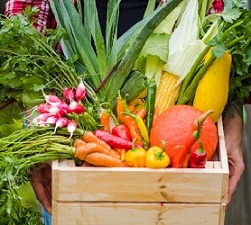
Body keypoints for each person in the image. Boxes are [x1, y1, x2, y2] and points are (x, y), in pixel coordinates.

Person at [4, 1, 245, 225]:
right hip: (67, 118)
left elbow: (224, 40)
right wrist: (42, 135)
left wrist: (232, 131)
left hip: (174, 160)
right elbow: (25, 29)